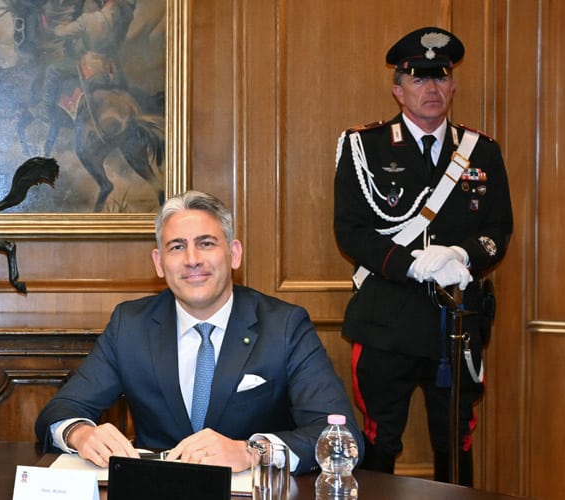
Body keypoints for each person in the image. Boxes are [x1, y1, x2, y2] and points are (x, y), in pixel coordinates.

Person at [34, 191, 361, 474]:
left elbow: (342, 437)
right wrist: (80, 433)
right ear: (159, 263)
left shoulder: (284, 325)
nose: (192, 260)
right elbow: (60, 410)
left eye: (206, 244)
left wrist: (252, 451)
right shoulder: (130, 325)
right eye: (177, 247)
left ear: (234, 254)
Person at [333, 27, 513, 485]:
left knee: (455, 439)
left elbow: (498, 230)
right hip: (386, 319)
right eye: (418, 78)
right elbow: (351, 231)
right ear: (398, 90)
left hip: (457, 322)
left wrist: (461, 254)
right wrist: (410, 264)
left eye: (441, 77)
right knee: (379, 439)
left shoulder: (482, 152)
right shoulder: (364, 147)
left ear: (453, 86)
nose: (432, 88)